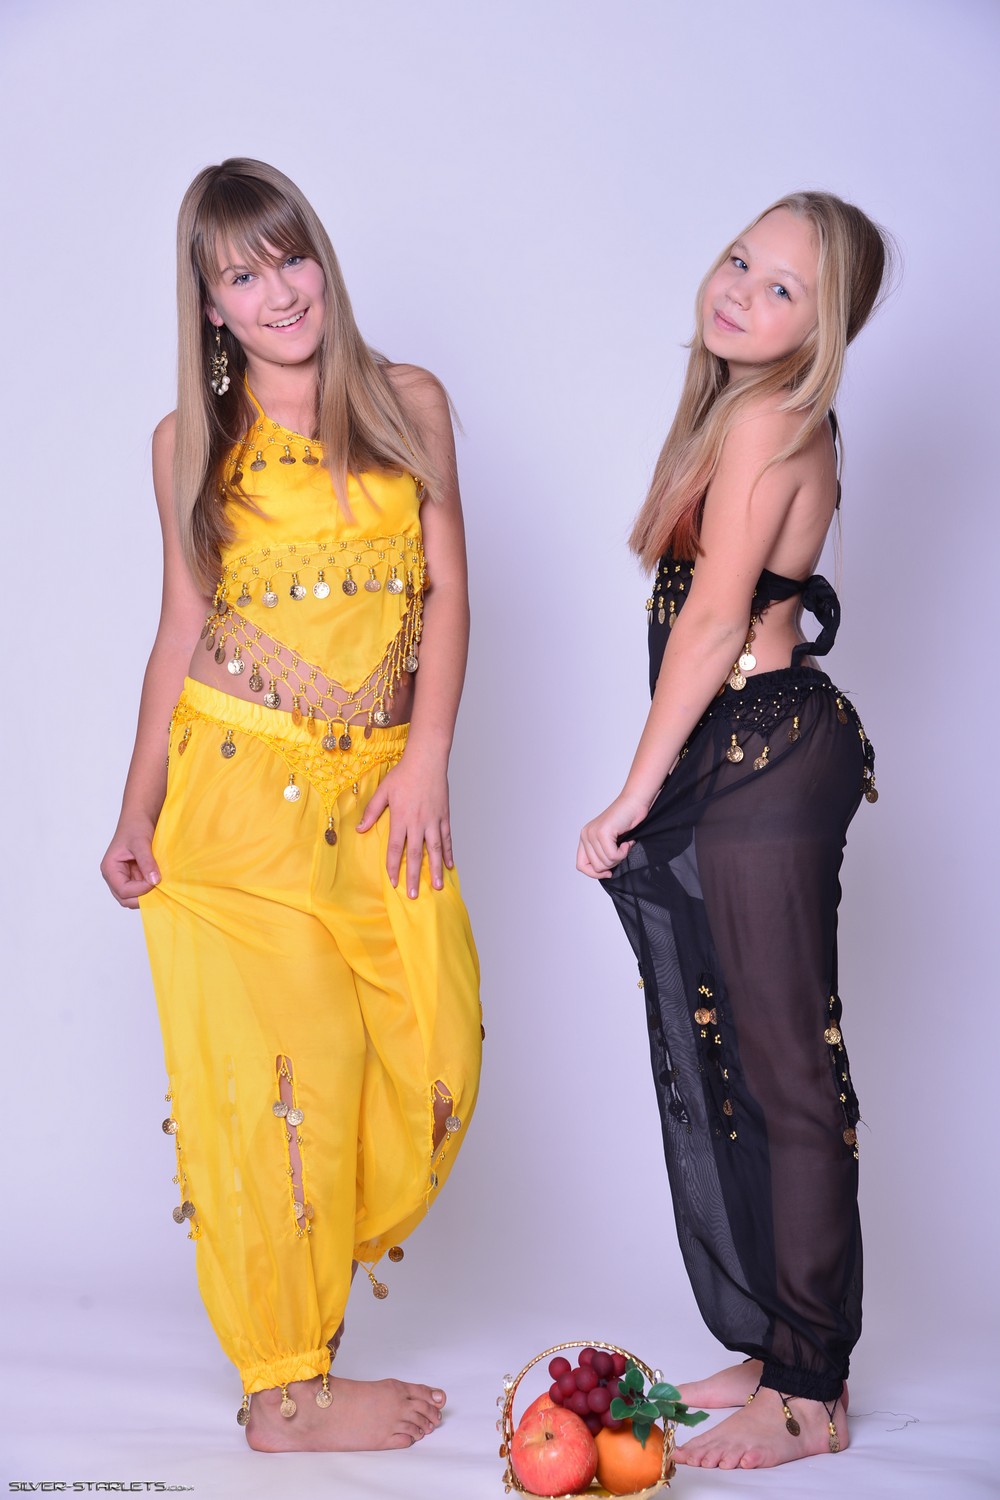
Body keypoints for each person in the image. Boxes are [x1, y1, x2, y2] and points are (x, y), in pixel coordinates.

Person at [101, 158, 482, 1453]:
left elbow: (448, 592)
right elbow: (179, 628)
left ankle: (303, 1313)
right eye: (241, 275)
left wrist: (428, 756)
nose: (277, 292)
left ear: (322, 258)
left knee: (432, 1045)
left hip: (380, 796)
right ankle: (288, 1386)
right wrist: (135, 809)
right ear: (209, 303)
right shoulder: (187, 445)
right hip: (234, 803)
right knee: (282, 1079)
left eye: (290, 257)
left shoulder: (409, 401)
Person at [577, 192, 891, 1469]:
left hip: (764, 757)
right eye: (740, 260)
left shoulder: (773, 418)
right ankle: (772, 1344)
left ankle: (809, 1394)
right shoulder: (744, 411)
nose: (742, 291)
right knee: (742, 1063)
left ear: (825, 328)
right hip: (740, 752)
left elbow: (713, 625)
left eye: (782, 290)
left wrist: (630, 791)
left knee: (786, 1072)